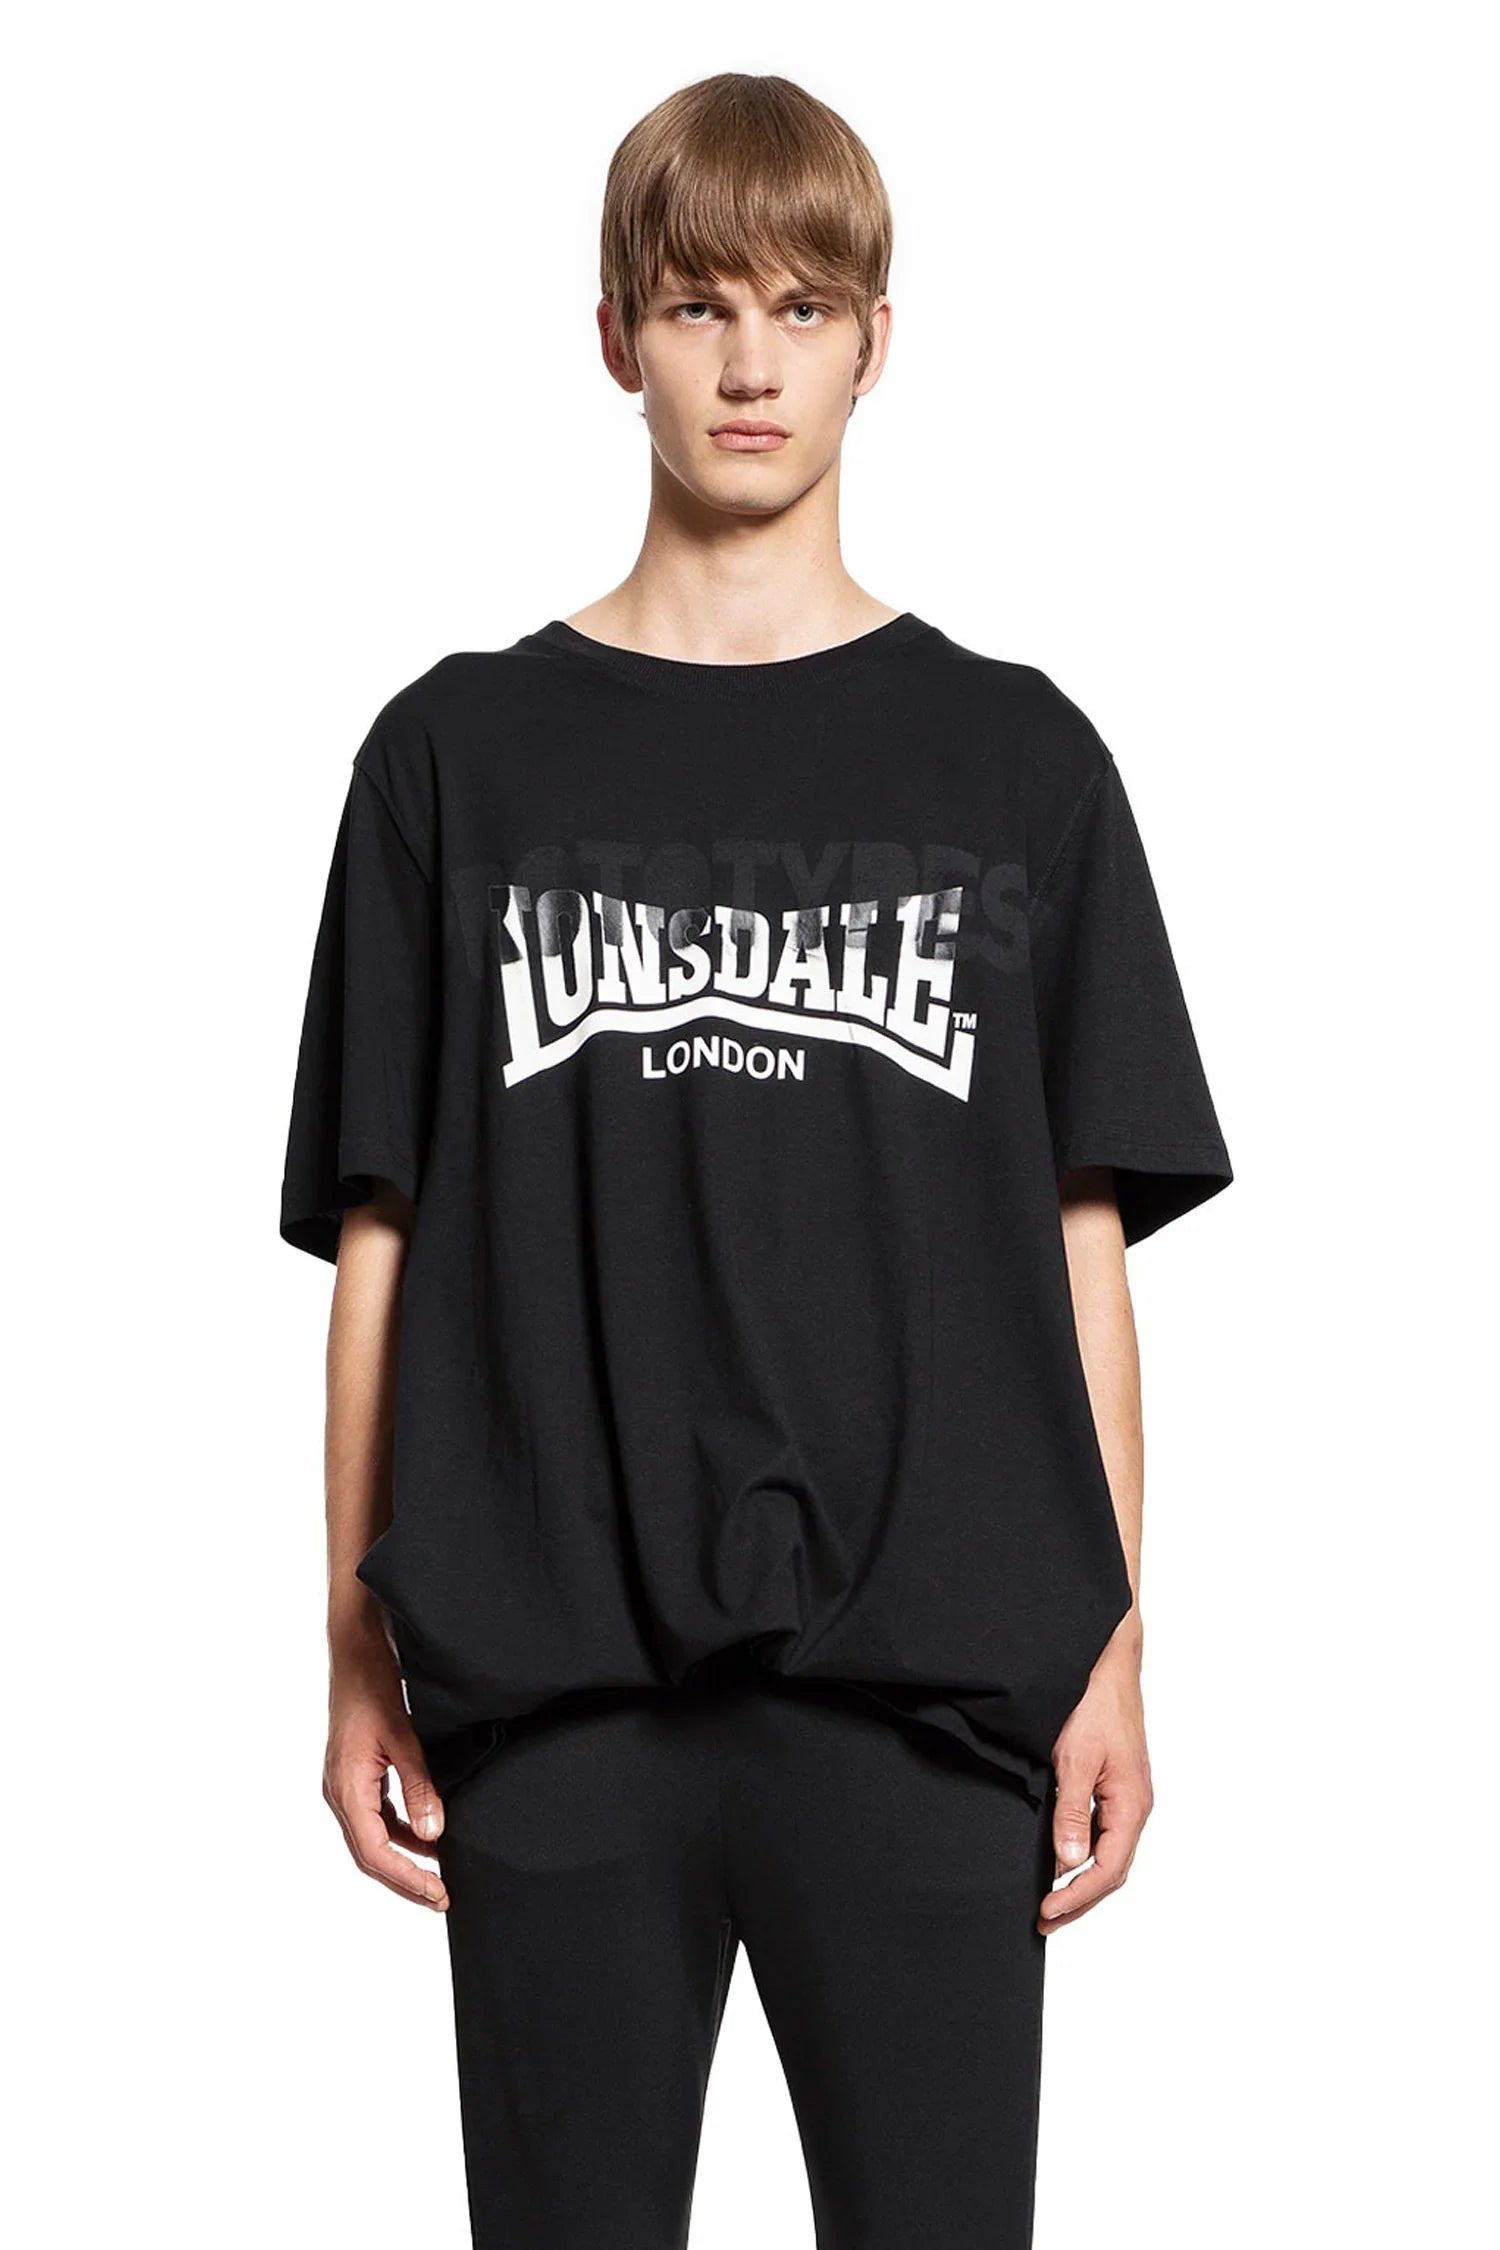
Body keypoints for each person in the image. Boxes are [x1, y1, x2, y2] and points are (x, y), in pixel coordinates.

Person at [278, 70, 1232, 2250]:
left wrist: (1114, 1641)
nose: (748, 360)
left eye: (802, 307)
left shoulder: (1018, 759)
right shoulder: (453, 759)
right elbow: (380, 1237)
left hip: (929, 1688)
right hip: (556, 1690)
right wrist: (347, 1645)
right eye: (699, 303)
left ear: (876, 343)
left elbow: (1080, 1246)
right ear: (613, 332)